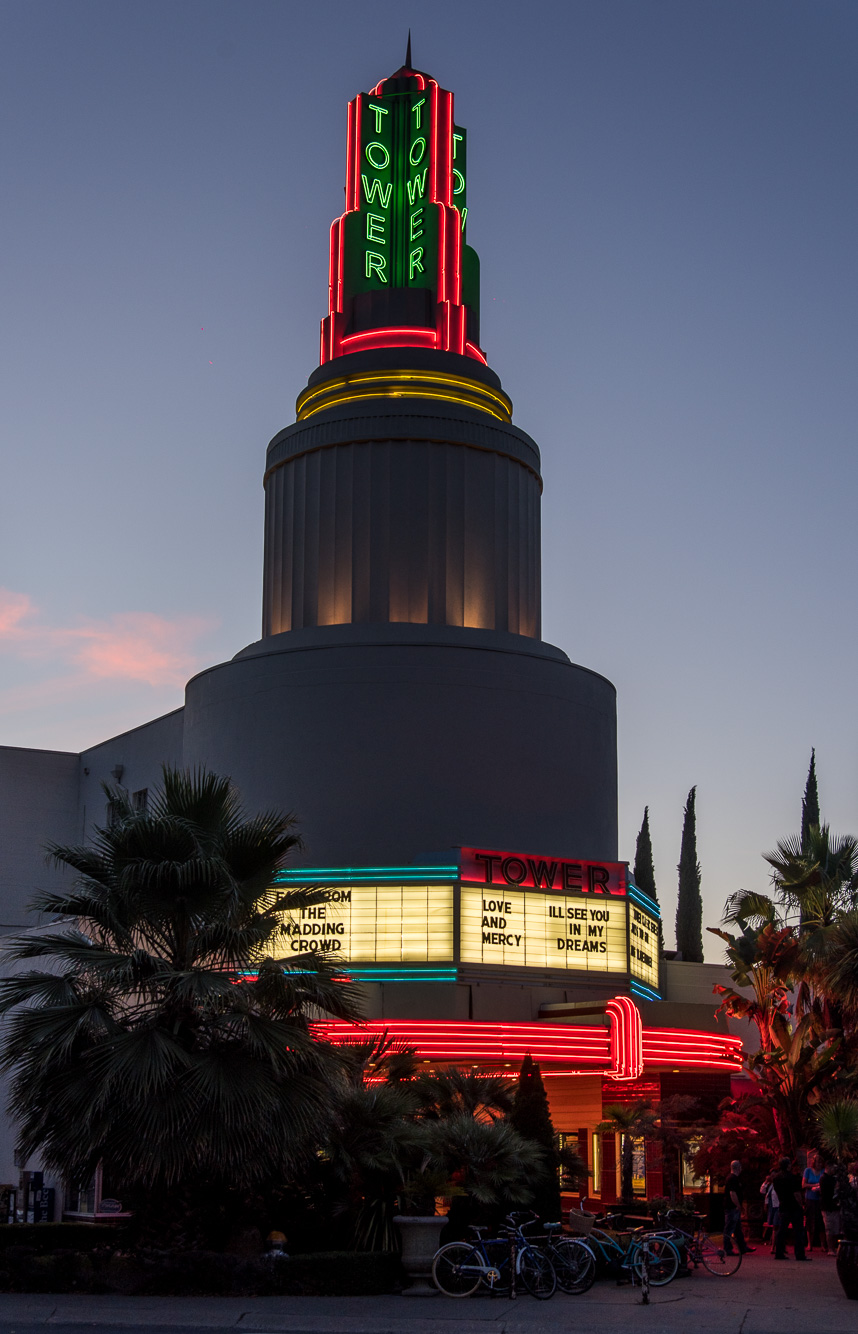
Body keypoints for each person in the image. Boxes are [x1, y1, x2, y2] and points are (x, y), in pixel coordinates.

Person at [773, 1155, 809, 1260]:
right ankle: (799, 1254)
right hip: (793, 1207)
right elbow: (796, 1193)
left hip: (783, 1205)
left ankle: (779, 1252)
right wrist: (801, 1204)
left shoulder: (776, 1178)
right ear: (788, 1166)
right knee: (798, 1231)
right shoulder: (792, 1178)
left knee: (782, 1230)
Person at [722, 1159, 755, 1256]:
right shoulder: (732, 1179)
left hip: (732, 1207)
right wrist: (738, 1205)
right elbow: (732, 1193)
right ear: (738, 1168)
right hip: (732, 1207)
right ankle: (728, 1249)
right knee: (729, 1228)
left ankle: (742, 1247)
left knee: (737, 1228)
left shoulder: (732, 1178)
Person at [802, 1152, 824, 1251]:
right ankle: (809, 1244)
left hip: (820, 1199)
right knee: (810, 1221)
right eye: (818, 1163)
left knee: (821, 1222)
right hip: (810, 1199)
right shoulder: (808, 1171)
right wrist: (815, 1185)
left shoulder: (823, 1171)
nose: (819, 1165)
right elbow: (804, 1185)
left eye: (821, 1163)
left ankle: (823, 1244)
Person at [819, 1159, 840, 1256]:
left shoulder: (833, 1178)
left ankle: (833, 1247)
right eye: (833, 1168)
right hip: (828, 1207)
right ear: (829, 1167)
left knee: (835, 1228)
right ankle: (830, 1248)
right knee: (829, 1228)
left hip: (834, 1206)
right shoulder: (824, 1178)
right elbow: (826, 1193)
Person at [760, 1171, 780, 1252]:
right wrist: (766, 1182)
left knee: (776, 1226)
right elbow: (763, 1191)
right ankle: (776, 1245)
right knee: (775, 1226)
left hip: (778, 1206)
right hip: (772, 1207)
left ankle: (774, 1246)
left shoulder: (779, 1185)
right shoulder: (770, 1185)